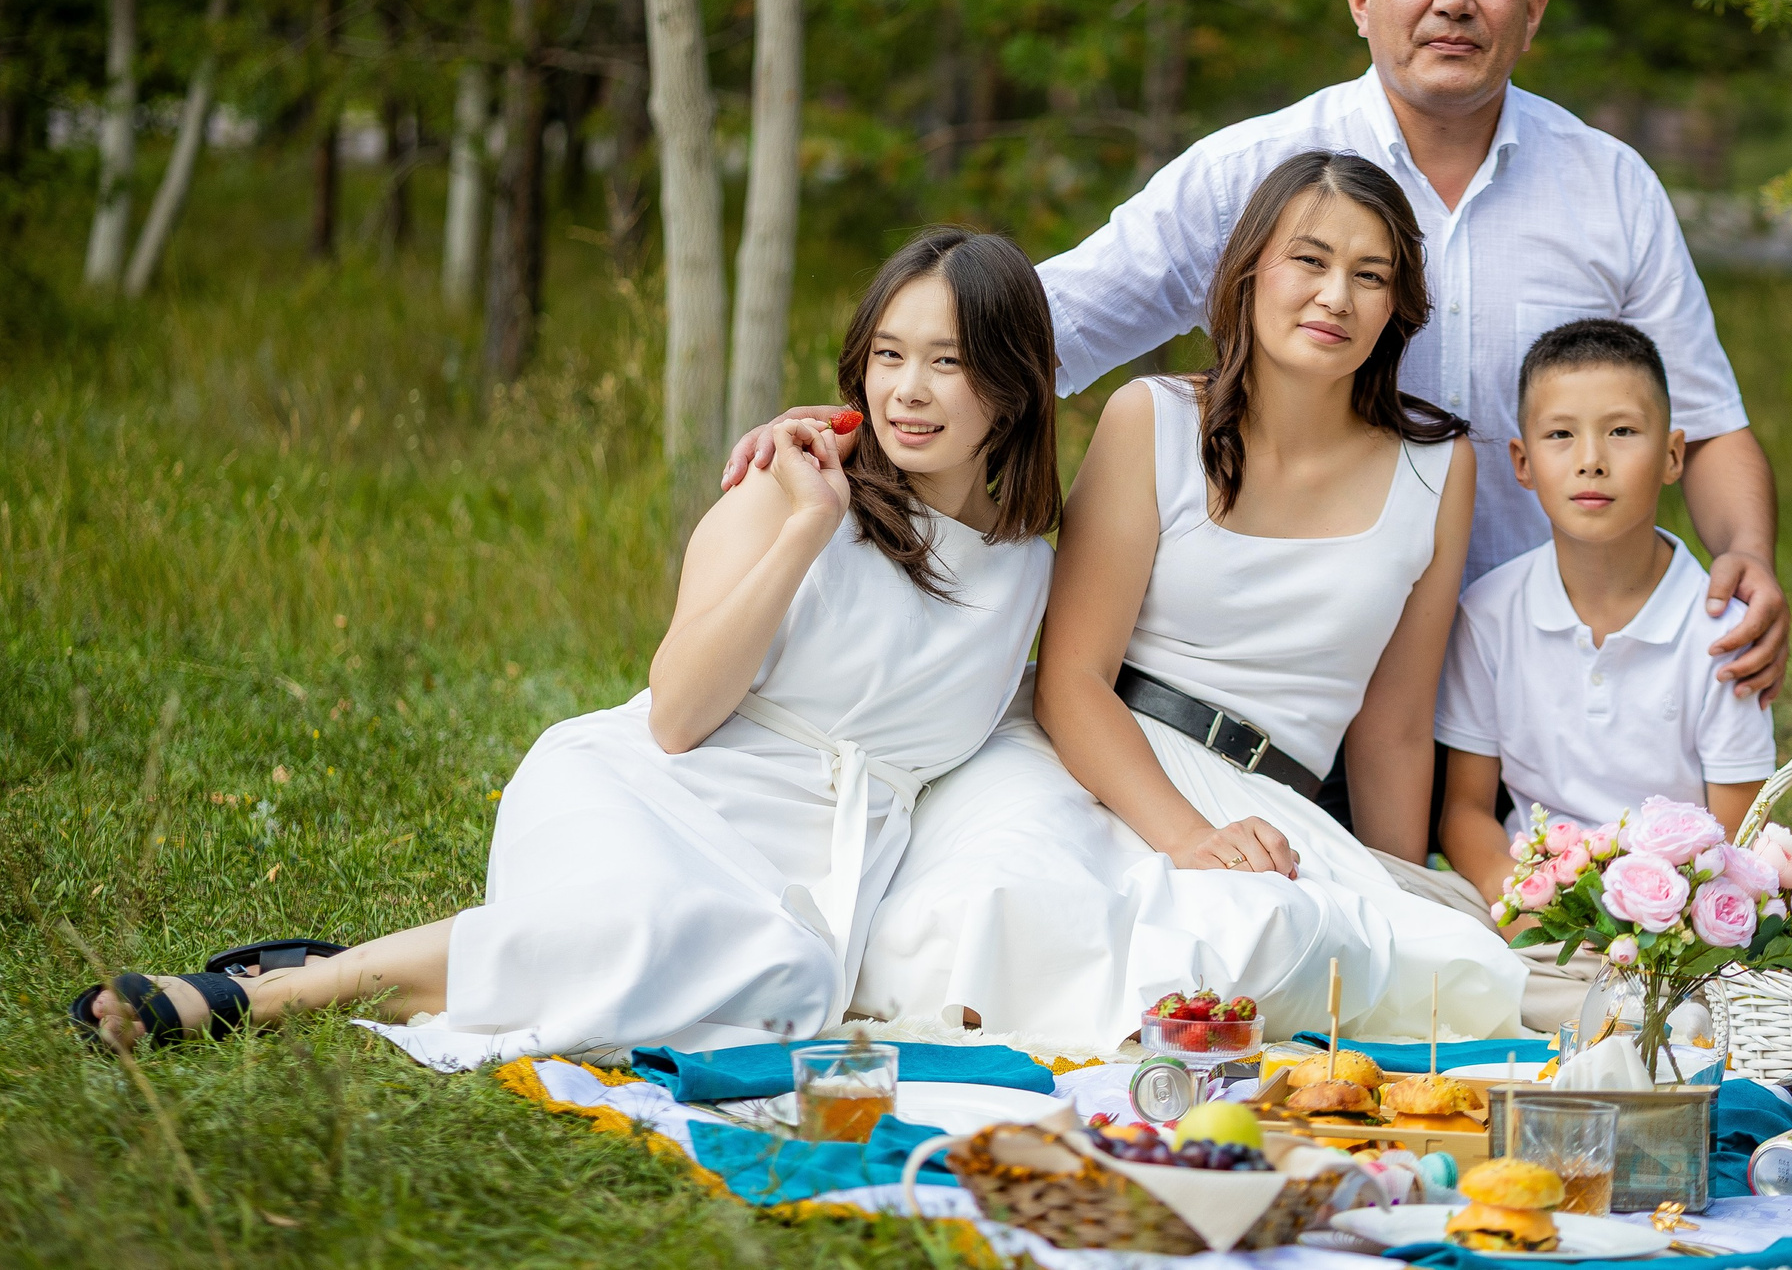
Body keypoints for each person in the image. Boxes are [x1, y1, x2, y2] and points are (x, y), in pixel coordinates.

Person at [726, 0, 1792, 704]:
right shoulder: (1254, 172)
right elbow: (1047, 323)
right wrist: (867, 409)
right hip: (1310, 664)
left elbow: (1703, 414)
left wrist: (1744, 551)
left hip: (1545, 656)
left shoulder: (1609, 186)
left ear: (1533, 7)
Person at [71, 230, 1061, 1059]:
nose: (908, 392)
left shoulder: (1026, 569)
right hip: (659, 794)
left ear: (1012, 386)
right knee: (651, 938)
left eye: (948, 360)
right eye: (889, 354)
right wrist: (808, 527)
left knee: (781, 987)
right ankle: (266, 996)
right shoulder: (787, 491)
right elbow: (676, 718)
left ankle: (353, 966)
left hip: (806, 868)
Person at [849, 152, 1529, 1044]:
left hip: (1269, 800)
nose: (1335, 297)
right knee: (1007, 908)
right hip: (1089, 756)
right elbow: (1071, 680)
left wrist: (1385, 883)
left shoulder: (1437, 467)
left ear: (1397, 306)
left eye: (1371, 276)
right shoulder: (1155, 420)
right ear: (1248, 272)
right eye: (1310, 260)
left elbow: (1394, 725)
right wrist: (1184, 835)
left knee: (1331, 954)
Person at [1436, 318, 1775, 923]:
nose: (1591, 461)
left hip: (1673, 928)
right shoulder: (1488, 614)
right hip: (1528, 907)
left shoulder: (1724, 631)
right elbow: (1465, 811)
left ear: (1673, 455)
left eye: (1621, 431)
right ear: (1523, 461)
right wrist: (1513, 896)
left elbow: (1738, 838)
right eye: (1560, 434)